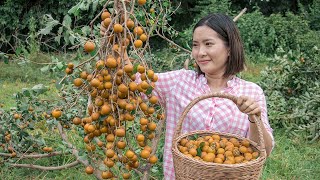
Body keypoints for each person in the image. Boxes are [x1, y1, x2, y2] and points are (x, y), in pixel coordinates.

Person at [100, 13, 274, 179]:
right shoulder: (180, 81)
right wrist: (115, 43)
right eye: (195, 45)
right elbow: (134, 81)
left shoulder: (251, 92)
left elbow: (263, 149)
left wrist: (254, 116)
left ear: (229, 48)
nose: (200, 52)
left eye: (208, 44)